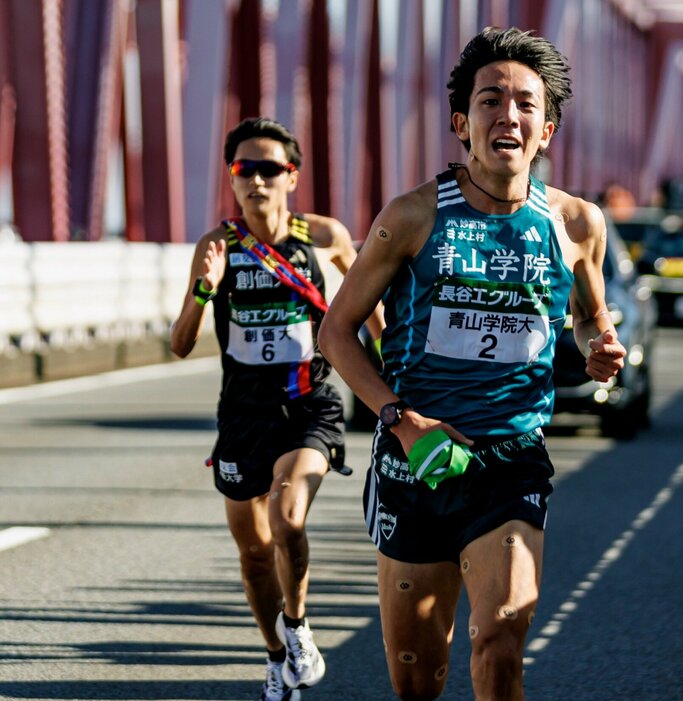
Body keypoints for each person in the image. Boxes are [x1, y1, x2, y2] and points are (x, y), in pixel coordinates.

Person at [318, 27, 626, 701]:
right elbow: (335, 333)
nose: (507, 116)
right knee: (416, 680)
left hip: (510, 459)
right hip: (416, 458)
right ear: (462, 122)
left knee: (500, 640)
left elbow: (590, 319)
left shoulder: (576, 224)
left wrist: (600, 347)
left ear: (547, 129)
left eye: (524, 103)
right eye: (490, 101)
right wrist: (401, 420)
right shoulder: (413, 216)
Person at [170, 117, 383, 701]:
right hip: (241, 415)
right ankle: (274, 654)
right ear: (232, 177)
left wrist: (392, 368)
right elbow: (181, 343)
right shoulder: (216, 246)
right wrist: (204, 289)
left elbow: (368, 307)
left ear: (292, 175)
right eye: (245, 169)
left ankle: (299, 625)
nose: (256, 180)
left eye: (270, 169)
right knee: (255, 554)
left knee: (289, 519)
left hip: (309, 404)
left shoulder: (324, 236)